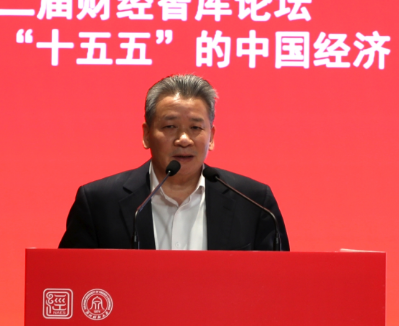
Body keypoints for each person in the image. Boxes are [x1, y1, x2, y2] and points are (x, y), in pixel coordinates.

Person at [59, 74, 289, 251]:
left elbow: (280, 283)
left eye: (195, 127)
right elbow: (69, 281)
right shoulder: (99, 202)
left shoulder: (254, 202)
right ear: (147, 134)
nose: (184, 139)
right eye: (170, 126)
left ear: (211, 137)